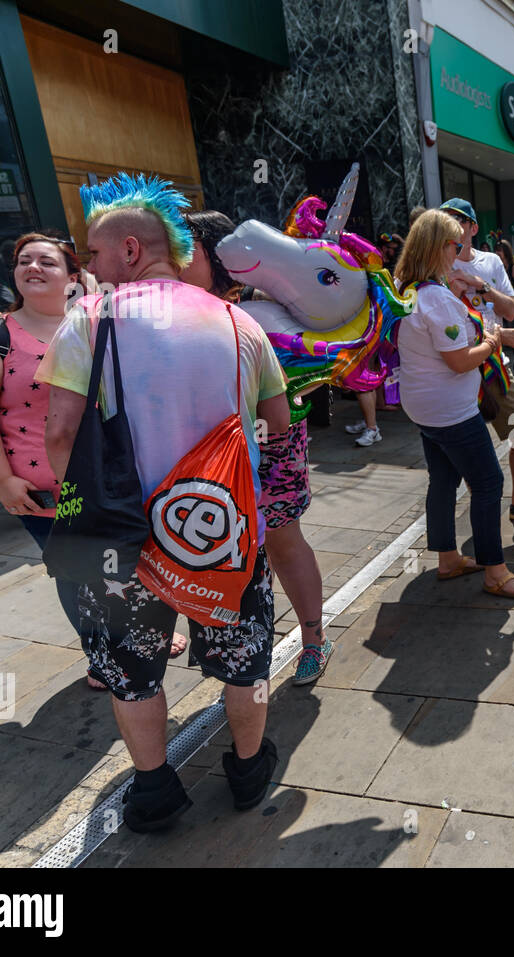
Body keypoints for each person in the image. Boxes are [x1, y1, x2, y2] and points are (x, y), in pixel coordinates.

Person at [38, 174, 290, 830]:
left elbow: (60, 432)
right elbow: (280, 430)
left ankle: (152, 790)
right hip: (225, 532)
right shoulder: (241, 322)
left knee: (133, 669)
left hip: (122, 537)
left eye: (91, 255)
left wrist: (87, 506)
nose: (86, 268)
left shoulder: (89, 320)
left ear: (128, 249)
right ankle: (246, 767)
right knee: (244, 659)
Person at [181, 209, 333, 686]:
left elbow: (310, 371)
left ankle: (314, 640)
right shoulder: (167, 310)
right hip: (203, 451)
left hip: (272, 444)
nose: (175, 258)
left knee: (283, 542)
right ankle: (239, 652)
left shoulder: (262, 306)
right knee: (221, 547)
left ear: (218, 253)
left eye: (187, 249)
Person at [0, 234, 111, 683]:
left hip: (110, 477)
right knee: (76, 569)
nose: (33, 268)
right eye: (24, 261)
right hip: (42, 485)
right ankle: (101, 654)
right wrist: (1, 481)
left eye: (47, 261)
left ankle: (129, 634)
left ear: (73, 277)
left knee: (118, 557)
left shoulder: (94, 325)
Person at [393, 210, 514, 599]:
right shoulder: (436, 298)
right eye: (455, 245)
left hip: (424, 407)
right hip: (450, 410)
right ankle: (495, 571)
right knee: (489, 482)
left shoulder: (405, 289)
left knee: (443, 479)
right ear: (438, 246)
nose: (459, 253)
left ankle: (448, 558)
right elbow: (459, 360)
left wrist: (492, 332)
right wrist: (493, 343)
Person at [439, 198, 514, 523]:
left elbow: (510, 311)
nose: (452, 224)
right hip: (456, 368)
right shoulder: (435, 266)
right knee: (467, 444)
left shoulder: (490, 261)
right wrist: (498, 336)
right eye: (446, 218)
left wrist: (482, 287)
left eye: (459, 219)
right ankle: (482, 505)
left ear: (473, 227)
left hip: (494, 365)